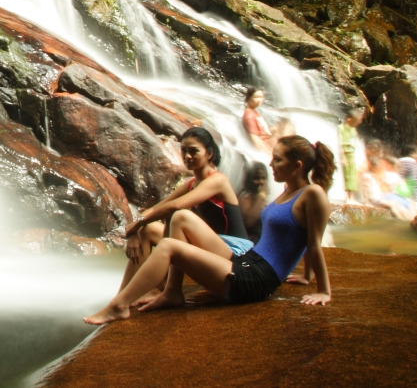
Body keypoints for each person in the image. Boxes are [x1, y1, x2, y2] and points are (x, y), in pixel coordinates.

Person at [84, 135, 335, 324]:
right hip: (248, 259)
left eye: (278, 159)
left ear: (298, 165)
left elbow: (313, 241)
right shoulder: (288, 192)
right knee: (181, 217)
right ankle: (172, 292)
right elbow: (297, 237)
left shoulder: (312, 193)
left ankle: (120, 304)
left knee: (170, 246)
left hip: (257, 280)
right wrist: (305, 275)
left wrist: (322, 290)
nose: (271, 163)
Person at [117, 127, 252, 300]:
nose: (187, 156)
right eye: (184, 151)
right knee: (148, 229)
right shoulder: (192, 184)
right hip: (212, 244)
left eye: (194, 151)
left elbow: (175, 205)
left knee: (177, 217)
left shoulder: (218, 180)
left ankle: (167, 290)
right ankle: (125, 295)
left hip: (235, 251)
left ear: (209, 154)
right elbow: (156, 209)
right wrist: (136, 230)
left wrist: (138, 223)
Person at [337, 107, 364, 204]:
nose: (357, 123)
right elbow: (340, 143)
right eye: (356, 120)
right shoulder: (341, 128)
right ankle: (347, 198)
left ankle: (351, 197)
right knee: (347, 174)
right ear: (350, 119)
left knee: (352, 175)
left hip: (352, 154)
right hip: (346, 153)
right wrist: (342, 156)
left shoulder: (353, 130)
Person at [238, 161, 269, 242]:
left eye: (263, 178)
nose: (261, 182)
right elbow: (248, 222)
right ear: (250, 180)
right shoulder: (246, 197)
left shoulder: (264, 200)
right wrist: (261, 195)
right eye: (257, 178)